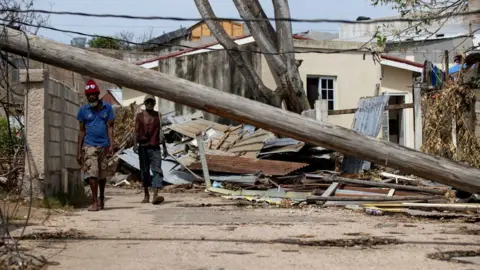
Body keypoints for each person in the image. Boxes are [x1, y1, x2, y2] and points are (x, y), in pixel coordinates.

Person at [76, 80, 114, 211]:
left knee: (102, 175)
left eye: (93, 94)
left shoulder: (107, 108)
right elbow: (81, 131)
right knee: (93, 174)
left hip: (104, 145)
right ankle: (94, 202)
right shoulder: (83, 110)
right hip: (89, 145)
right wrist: (78, 151)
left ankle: (102, 199)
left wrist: (111, 145)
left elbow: (110, 128)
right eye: (88, 95)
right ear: (86, 97)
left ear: (98, 94)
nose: (91, 97)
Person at [134, 95, 168, 205]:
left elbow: (161, 132)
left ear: (154, 103)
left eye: (151, 102)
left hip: (155, 147)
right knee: (144, 171)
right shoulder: (139, 116)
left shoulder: (158, 115)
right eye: (147, 102)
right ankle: (146, 194)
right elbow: (135, 131)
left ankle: (155, 195)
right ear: (144, 103)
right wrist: (135, 144)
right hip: (143, 146)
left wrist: (165, 148)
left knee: (157, 169)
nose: (149, 104)